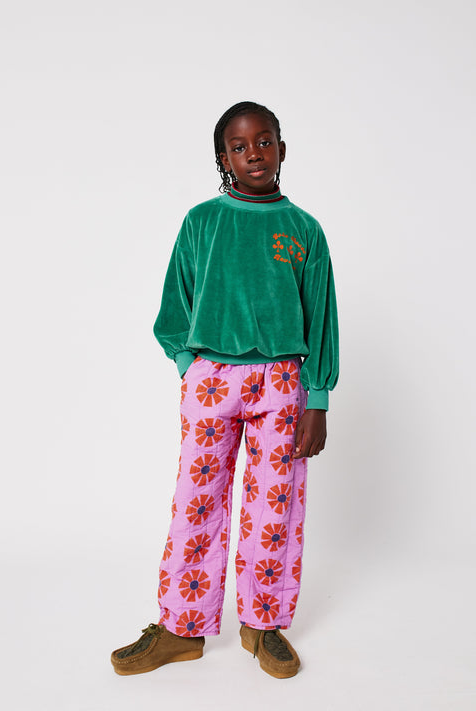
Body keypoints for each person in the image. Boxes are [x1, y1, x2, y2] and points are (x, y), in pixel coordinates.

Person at [110, 101, 339, 679]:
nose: (253, 153)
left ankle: (263, 624)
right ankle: (181, 628)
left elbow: (322, 320)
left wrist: (317, 399)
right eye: (239, 147)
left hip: (282, 383)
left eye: (264, 141)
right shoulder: (202, 222)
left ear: (282, 149)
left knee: (275, 506)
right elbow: (175, 304)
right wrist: (190, 365)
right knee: (198, 497)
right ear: (223, 159)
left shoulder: (304, 230)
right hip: (212, 380)